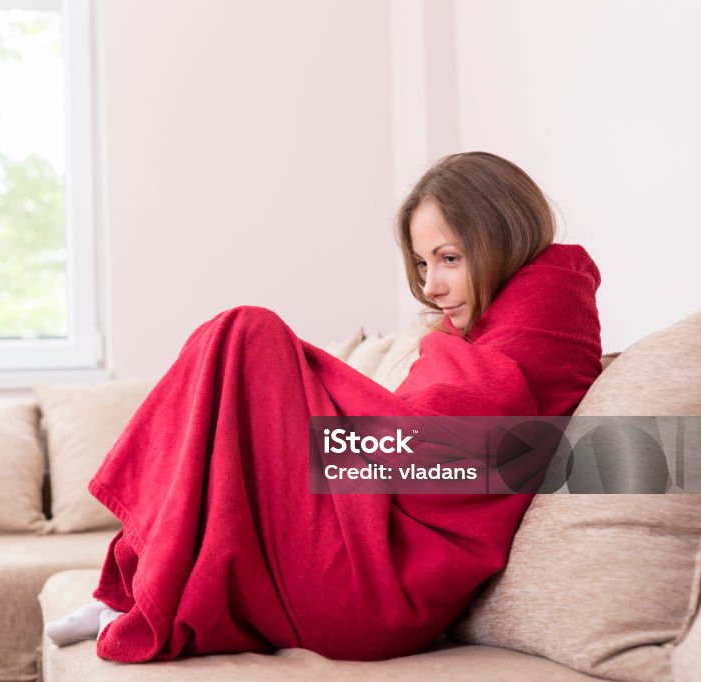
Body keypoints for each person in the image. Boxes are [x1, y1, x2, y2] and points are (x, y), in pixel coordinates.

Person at [45, 151, 603, 661]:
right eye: (422, 265)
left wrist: (309, 415)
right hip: (375, 541)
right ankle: (140, 588)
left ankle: (141, 587)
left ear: (502, 240)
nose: (431, 285)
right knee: (240, 353)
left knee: (247, 335)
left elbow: (445, 455)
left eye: (449, 258)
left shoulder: (549, 312)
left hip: (387, 584)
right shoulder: (510, 314)